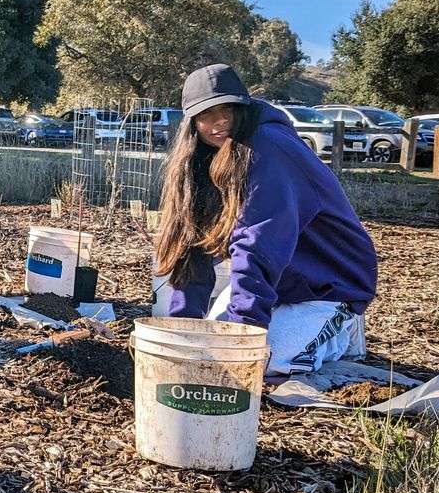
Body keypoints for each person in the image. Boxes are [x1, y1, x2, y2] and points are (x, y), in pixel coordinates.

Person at [153, 63, 378, 375]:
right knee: (206, 351)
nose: (219, 121)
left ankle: (342, 330)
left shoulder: (269, 149)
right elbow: (192, 248)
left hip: (327, 286)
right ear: (192, 121)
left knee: (261, 364)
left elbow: (258, 245)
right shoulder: (203, 158)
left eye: (228, 109)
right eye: (206, 114)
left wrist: (243, 336)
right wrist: (184, 330)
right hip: (281, 282)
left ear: (242, 108)